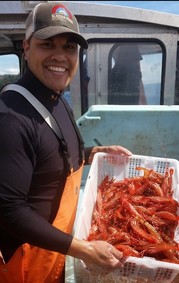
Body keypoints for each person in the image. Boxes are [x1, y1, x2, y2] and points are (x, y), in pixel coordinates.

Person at [0, 2, 132, 283]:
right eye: (47, 45)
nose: (60, 56)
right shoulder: (10, 117)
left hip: (54, 250)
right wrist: (82, 249)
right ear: (26, 48)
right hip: (27, 263)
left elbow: (50, 156)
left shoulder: (55, 98)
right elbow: (8, 211)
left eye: (69, 47)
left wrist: (95, 151)